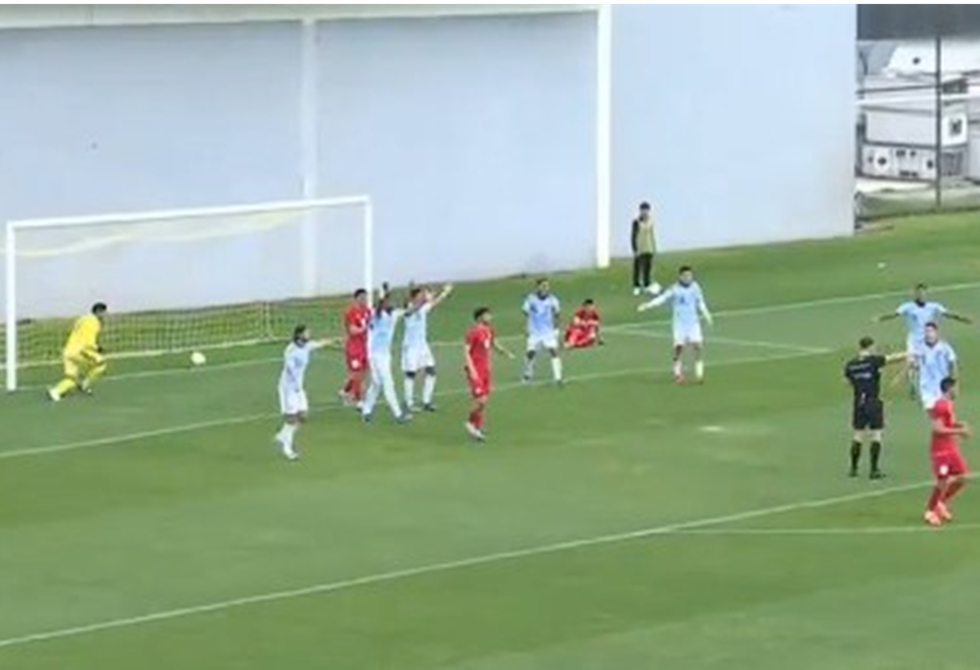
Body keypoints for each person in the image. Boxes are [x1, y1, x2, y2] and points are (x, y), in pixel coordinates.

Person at [875, 284, 971, 397]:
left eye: (923, 293)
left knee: (928, 362)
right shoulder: (907, 306)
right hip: (913, 340)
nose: (921, 295)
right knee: (911, 362)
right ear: (915, 294)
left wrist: (962, 319)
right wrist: (880, 318)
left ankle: (934, 384)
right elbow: (894, 314)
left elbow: (948, 314)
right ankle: (913, 387)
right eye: (919, 293)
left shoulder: (933, 306)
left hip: (928, 340)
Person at [842, 336, 906, 479]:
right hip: (873, 400)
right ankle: (874, 470)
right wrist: (909, 353)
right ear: (870, 347)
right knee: (876, 434)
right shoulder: (873, 360)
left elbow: (846, 382)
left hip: (858, 401)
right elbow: (893, 358)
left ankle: (853, 469)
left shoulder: (850, 364)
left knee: (858, 434)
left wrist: (859, 384)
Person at [637, 265, 713, 384]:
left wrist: (707, 315)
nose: (688, 278)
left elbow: (700, 302)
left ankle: (699, 374)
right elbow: (661, 299)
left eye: (690, 275)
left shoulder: (695, 287)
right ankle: (677, 373)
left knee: (698, 346)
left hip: (693, 323)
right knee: (678, 348)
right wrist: (647, 305)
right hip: (679, 324)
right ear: (680, 276)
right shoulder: (674, 289)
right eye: (685, 276)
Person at [274, 325, 334, 461]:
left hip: (298, 388)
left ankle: (282, 435)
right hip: (288, 388)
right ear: (299, 335)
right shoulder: (290, 350)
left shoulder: (306, 346)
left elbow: (318, 344)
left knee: (303, 416)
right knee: (291, 419)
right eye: (307, 333)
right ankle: (287, 449)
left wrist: (333, 341)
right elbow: (290, 369)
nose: (309, 334)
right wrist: (295, 386)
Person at [924, 377, 971, 526]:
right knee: (942, 481)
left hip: (951, 448)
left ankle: (940, 503)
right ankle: (930, 511)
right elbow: (937, 429)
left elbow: (947, 423)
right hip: (941, 452)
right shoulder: (940, 405)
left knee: (962, 477)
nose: (957, 390)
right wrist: (959, 431)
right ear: (949, 388)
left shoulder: (949, 404)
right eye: (956, 388)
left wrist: (958, 424)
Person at [362, 285, 411, 424]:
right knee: (387, 382)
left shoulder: (394, 314)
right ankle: (398, 414)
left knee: (377, 383)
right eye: (389, 302)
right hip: (374, 354)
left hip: (385, 355)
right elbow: (378, 308)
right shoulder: (376, 314)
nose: (392, 303)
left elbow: (410, 311)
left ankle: (366, 410)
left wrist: (421, 301)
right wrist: (384, 295)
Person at [465, 306, 515, 441]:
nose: (490, 317)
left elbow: (493, 343)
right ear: (479, 317)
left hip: (486, 370)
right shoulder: (473, 332)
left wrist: (505, 353)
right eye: (487, 315)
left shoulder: (489, 330)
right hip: (476, 370)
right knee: (480, 400)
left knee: (484, 400)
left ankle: (477, 426)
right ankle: (470, 423)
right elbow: (466, 352)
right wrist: (472, 370)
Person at [401, 283, 453, 412]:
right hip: (411, 347)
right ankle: (408, 403)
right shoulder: (409, 307)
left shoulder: (423, 308)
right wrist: (425, 299)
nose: (422, 296)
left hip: (422, 346)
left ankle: (426, 401)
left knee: (431, 371)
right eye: (420, 295)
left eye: (422, 295)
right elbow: (412, 310)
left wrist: (444, 292)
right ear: (414, 297)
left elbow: (435, 302)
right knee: (411, 374)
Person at [48, 302, 109, 401]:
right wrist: (98, 348)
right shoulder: (94, 322)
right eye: (104, 312)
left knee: (71, 379)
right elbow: (88, 342)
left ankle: (56, 391)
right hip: (80, 351)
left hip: (68, 351)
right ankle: (85, 384)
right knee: (101, 364)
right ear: (98, 311)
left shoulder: (82, 319)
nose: (106, 315)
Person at [521, 278, 563, 384]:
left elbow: (557, 315)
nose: (545, 288)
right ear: (537, 287)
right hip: (534, 332)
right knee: (531, 353)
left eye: (547, 286)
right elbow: (525, 313)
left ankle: (558, 377)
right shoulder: (531, 299)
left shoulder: (553, 300)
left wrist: (557, 329)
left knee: (554, 351)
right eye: (542, 285)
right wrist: (525, 327)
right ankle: (527, 374)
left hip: (548, 332)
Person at [339, 289, 372, 409]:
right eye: (362, 297)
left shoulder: (367, 311)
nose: (365, 300)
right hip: (354, 348)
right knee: (357, 373)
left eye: (366, 297)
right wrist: (365, 328)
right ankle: (359, 400)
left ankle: (345, 391)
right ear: (356, 298)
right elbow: (352, 330)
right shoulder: (350, 312)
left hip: (365, 347)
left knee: (362, 373)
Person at [915, 322, 958, 411]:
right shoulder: (919, 349)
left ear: (936, 332)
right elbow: (916, 370)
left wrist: (953, 385)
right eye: (926, 332)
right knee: (934, 415)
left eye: (931, 331)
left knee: (945, 415)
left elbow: (953, 365)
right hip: (926, 389)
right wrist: (916, 390)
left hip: (943, 387)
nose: (928, 334)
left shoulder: (945, 347)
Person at [631, 202, 661, 296]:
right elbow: (633, 236)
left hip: (648, 247)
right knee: (638, 267)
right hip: (640, 248)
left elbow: (652, 234)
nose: (645, 212)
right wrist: (635, 249)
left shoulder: (651, 221)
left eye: (646, 210)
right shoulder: (636, 222)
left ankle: (646, 284)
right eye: (643, 210)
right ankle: (636, 286)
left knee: (647, 267)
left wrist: (654, 247)